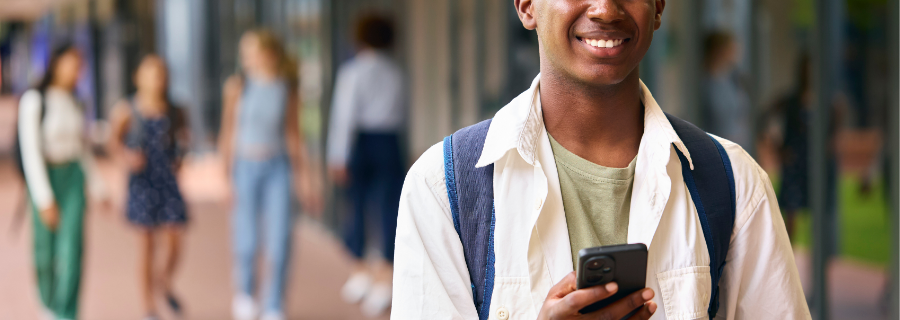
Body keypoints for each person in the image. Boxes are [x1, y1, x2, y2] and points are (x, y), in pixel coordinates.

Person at [392, 0, 811, 319]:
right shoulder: (444, 189)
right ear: (525, 5)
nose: (606, 9)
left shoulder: (734, 182)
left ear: (659, 6)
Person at [219, 29, 320, 320]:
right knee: (246, 237)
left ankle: (274, 304)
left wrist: (306, 179)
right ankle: (246, 294)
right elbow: (228, 133)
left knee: (279, 238)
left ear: (269, 54)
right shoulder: (237, 87)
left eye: (251, 50)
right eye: (244, 51)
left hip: (278, 167)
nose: (246, 57)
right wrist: (224, 177)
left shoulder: (286, 89)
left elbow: (293, 136)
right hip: (245, 167)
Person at [17, 44, 106, 320]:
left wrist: (98, 186)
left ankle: (67, 313)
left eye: (79, 66)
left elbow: (82, 149)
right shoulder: (34, 100)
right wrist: (44, 198)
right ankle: (48, 305)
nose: (75, 71)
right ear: (56, 63)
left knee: (72, 250)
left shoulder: (76, 101)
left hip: (73, 179)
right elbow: (30, 151)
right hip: (46, 177)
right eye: (71, 64)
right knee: (44, 252)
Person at [326, 14, 405, 317]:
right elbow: (402, 113)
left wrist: (338, 155)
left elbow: (344, 117)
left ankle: (361, 272)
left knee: (356, 205)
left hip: (361, 142)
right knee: (388, 209)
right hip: (389, 142)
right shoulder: (396, 72)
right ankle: (384, 279)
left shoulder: (353, 72)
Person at [107, 54, 189, 320]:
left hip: (168, 182)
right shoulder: (127, 110)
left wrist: (181, 156)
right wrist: (126, 158)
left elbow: (183, 139)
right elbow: (113, 144)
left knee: (175, 241)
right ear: (138, 78)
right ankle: (148, 306)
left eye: (161, 74)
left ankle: (162, 281)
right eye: (151, 73)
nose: (157, 80)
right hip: (142, 184)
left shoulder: (175, 110)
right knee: (146, 246)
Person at [701, 31, 752, 150]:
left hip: (736, 149)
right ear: (719, 51)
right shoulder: (705, 84)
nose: (736, 53)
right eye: (731, 49)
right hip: (715, 149)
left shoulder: (733, 79)